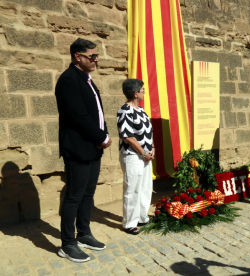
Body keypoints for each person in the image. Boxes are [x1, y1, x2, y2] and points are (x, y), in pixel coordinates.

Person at [55, 38, 112, 262]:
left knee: (88, 194)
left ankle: (84, 234)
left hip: (93, 146)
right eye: (92, 56)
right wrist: (102, 137)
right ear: (78, 57)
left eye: (96, 56)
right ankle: (67, 243)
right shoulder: (69, 80)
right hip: (78, 148)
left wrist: (103, 136)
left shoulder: (86, 79)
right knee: (74, 196)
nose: (96, 59)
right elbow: (79, 116)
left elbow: (97, 112)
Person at [117, 79, 154, 235]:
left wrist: (152, 148)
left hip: (145, 155)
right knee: (132, 188)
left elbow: (148, 131)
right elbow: (127, 136)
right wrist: (143, 152)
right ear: (135, 93)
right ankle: (129, 223)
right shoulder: (125, 110)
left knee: (145, 187)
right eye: (142, 89)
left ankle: (141, 217)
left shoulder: (141, 110)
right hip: (133, 155)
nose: (144, 91)